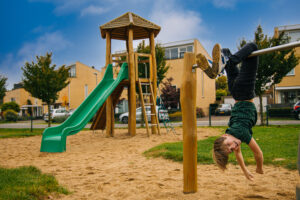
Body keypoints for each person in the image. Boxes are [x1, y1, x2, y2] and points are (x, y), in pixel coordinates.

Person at [195, 43, 264, 181]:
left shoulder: (241, 133)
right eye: (231, 149)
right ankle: (220, 66)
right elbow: (238, 155)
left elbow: (258, 153)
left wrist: (259, 167)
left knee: (253, 47)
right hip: (235, 92)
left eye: (228, 144)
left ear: (224, 136)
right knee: (226, 53)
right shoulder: (232, 133)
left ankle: (221, 67)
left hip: (245, 92)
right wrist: (245, 172)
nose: (234, 146)